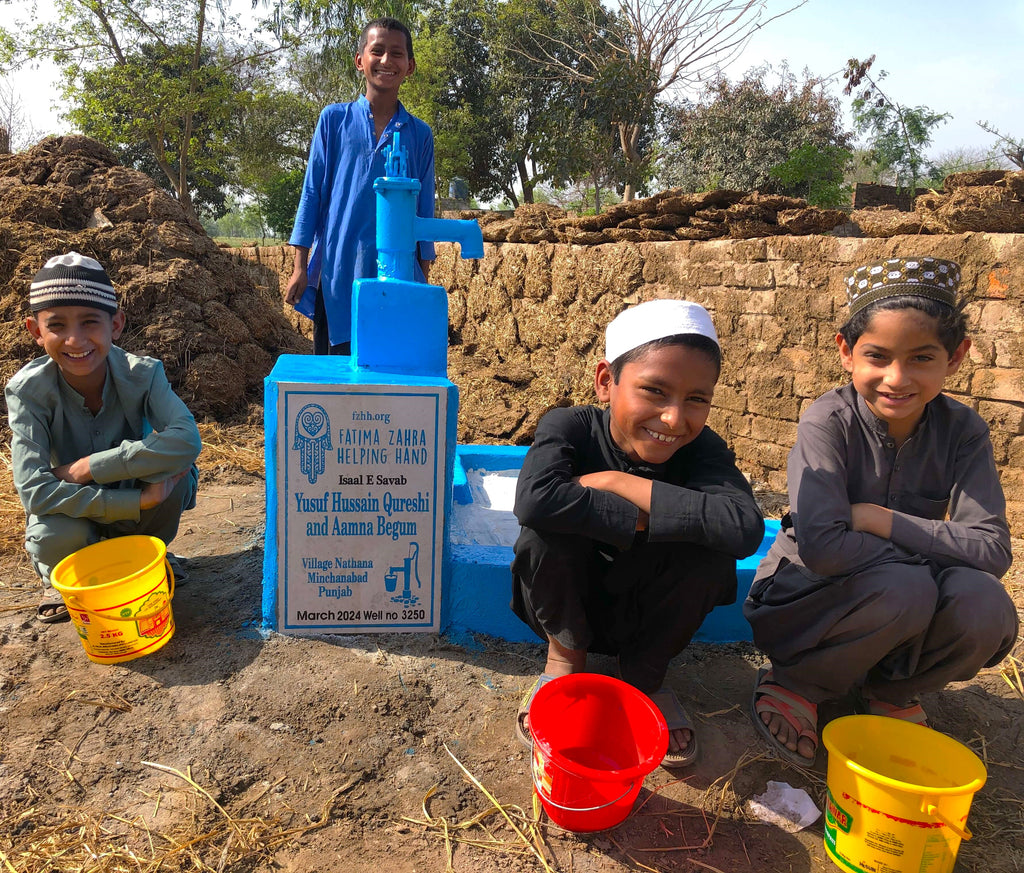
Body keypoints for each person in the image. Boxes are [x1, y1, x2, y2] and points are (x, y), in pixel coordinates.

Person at [744, 256, 1018, 768]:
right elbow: (823, 549)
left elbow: (992, 550)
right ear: (846, 353)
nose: (897, 378)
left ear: (955, 358)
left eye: (921, 358)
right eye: (878, 356)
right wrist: (932, 550)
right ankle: (799, 682)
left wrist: (877, 518)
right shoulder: (828, 422)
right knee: (909, 587)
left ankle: (892, 690)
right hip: (803, 602)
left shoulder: (963, 431)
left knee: (987, 606)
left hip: (900, 600)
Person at [511, 299, 766, 767]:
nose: (673, 418)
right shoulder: (569, 427)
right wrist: (657, 521)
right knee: (545, 534)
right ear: (606, 381)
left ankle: (644, 677)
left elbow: (744, 529)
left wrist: (616, 483)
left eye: (696, 399)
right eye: (654, 391)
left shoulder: (704, 449)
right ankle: (565, 661)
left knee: (711, 555)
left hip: (649, 619)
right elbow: (534, 500)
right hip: (571, 603)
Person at [6, 252, 202, 624]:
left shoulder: (143, 375)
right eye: (57, 325)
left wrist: (86, 468)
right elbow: (34, 491)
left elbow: (187, 441)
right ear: (35, 331)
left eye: (90, 322)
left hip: (118, 498)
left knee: (174, 480)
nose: (75, 339)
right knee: (50, 536)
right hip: (77, 511)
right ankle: (69, 577)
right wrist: (136, 501)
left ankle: (146, 554)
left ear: (116, 325)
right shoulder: (27, 391)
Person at [285, 17, 435, 355]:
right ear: (359, 61)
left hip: (397, 280)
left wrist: (422, 279)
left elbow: (424, 210)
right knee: (336, 379)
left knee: (389, 376)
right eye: (377, 51)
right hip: (337, 273)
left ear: (409, 66)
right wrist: (300, 268)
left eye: (396, 53)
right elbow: (312, 193)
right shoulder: (334, 120)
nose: (386, 61)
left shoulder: (418, 134)